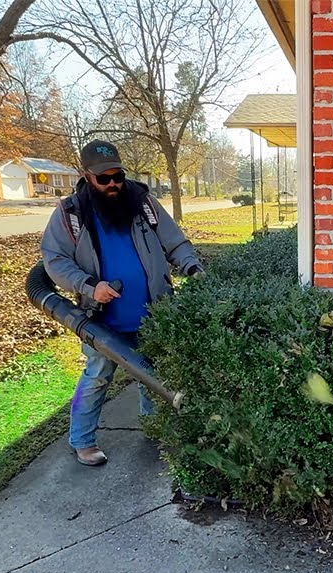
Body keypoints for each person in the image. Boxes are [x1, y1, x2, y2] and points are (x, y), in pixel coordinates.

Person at [41, 140, 204, 466]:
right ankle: (82, 441)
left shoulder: (143, 203)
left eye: (117, 175)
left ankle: (153, 427)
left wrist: (194, 269)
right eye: (104, 178)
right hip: (103, 323)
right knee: (97, 377)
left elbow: (175, 243)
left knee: (152, 376)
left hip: (154, 313)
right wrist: (89, 286)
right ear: (87, 176)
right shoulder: (70, 214)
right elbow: (54, 260)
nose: (113, 183)